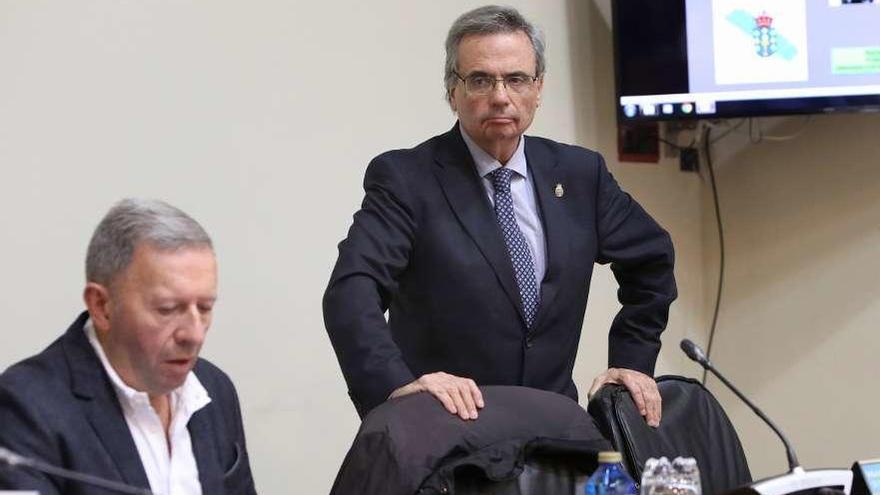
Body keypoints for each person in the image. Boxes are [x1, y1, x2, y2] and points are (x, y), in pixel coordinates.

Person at [323, 5, 676, 426]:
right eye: (479, 80)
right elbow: (351, 290)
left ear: (538, 87)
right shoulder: (406, 178)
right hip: (449, 432)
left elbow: (651, 259)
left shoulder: (581, 175)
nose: (500, 96)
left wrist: (632, 361)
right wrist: (396, 388)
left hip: (554, 429)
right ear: (452, 92)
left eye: (516, 79)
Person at [0, 199, 256, 495]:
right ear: (102, 306)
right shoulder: (27, 407)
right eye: (167, 309)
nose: (194, 334)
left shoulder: (215, 390)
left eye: (205, 307)